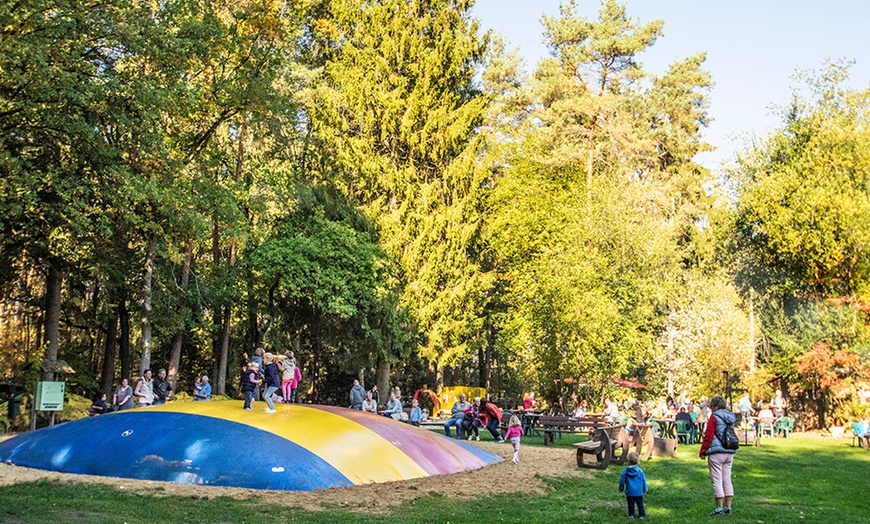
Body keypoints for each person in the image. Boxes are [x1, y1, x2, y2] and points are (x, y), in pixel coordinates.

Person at [699, 395, 738, 516]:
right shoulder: (731, 416)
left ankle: (719, 508)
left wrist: (703, 450)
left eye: (711, 406)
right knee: (727, 479)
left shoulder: (714, 417)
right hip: (729, 450)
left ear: (715, 406)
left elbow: (708, 435)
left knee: (716, 480)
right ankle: (728, 506)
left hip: (716, 452)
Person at [618, 451, 648, 519]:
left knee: (630, 504)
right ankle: (641, 515)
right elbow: (643, 480)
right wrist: (645, 489)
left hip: (630, 492)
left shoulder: (626, 471)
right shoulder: (640, 471)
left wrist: (621, 488)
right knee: (640, 504)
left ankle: (631, 514)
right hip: (639, 492)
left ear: (628, 461)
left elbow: (622, 480)